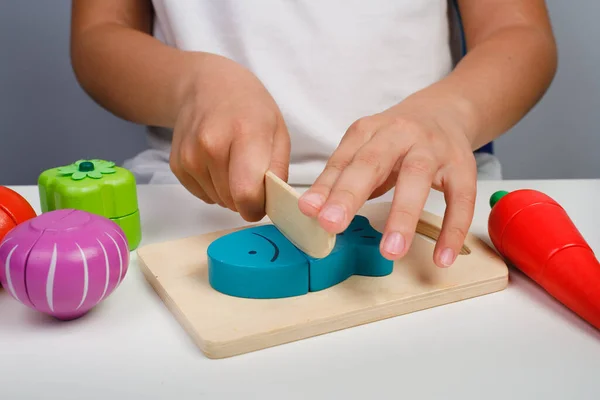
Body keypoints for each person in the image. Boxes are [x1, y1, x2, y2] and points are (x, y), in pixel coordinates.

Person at [70, 0, 557, 268]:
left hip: (425, 200)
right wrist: (189, 84)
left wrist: (451, 112)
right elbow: (98, 34)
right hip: (189, 200)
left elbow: (519, 30)